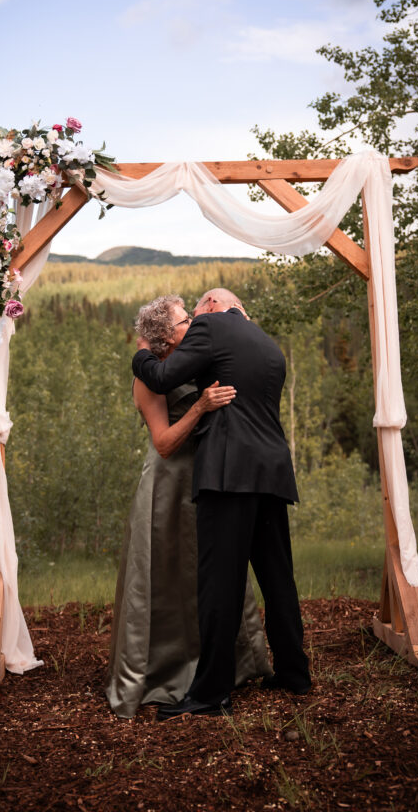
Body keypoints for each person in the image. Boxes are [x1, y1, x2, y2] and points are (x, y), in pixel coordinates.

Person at [132, 288, 311, 719]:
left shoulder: (212, 325)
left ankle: (211, 694)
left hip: (229, 473)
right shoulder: (267, 344)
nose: (193, 324)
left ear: (213, 305)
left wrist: (141, 350)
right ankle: (295, 672)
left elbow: (160, 377)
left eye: (194, 314)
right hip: (272, 471)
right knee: (278, 579)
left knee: (219, 587)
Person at [105, 294, 271, 719]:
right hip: (167, 486)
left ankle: (221, 668)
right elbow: (162, 444)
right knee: (164, 582)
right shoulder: (149, 379)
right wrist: (201, 406)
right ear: (165, 337)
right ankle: (162, 672)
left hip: (206, 483)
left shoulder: (195, 360)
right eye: (185, 320)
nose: (195, 322)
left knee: (209, 577)